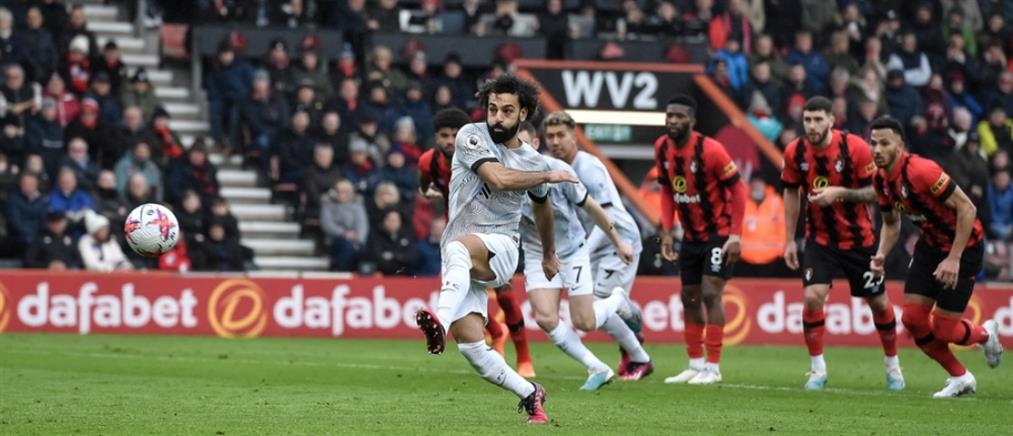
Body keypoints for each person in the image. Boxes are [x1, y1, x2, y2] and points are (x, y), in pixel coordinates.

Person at [413, 75, 578, 424]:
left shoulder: (533, 161)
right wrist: (546, 176)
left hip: (501, 246)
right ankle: (531, 393)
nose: (497, 118)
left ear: (523, 113)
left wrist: (549, 253)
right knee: (472, 347)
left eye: (507, 111)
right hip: (461, 253)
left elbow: (543, 209)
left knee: (459, 248)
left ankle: (440, 321)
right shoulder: (470, 135)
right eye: (492, 109)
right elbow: (499, 178)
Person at [868, 116, 1003, 398]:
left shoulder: (922, 171)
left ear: (899, 145)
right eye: (873, 143)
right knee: (913, 320)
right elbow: (891, 224)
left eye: (884, 143)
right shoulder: (880, 179)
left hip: (965, 246)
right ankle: (961, 377)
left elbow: (967, 208)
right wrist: (880, 254)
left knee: (944, 330)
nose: (877, 149)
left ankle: (985, 335)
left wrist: (954, 258)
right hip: (930, 246)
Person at [780, 97, 904, 391]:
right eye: (807, 120)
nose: (812, 126)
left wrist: (840, 193)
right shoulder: (795, 151)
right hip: (819, 239)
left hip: (859, 240)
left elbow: (878, 192)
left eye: (818, 119)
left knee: (879, 303)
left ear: (831, 120)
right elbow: (791, 193)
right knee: (812, 298)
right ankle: (817, 370)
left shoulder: (855, 148)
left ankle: (893, 365)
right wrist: (788, 239)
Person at [518, 116, 647, 390]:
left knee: (585, 320)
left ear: (535, 144)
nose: (519, 151)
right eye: (514, 146)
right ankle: (597, 366)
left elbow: (595, 208)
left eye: (524, 145)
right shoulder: (501, 175)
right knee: (545, 318)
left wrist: (617, 241)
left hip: (578, 247)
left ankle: (619, 306)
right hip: (538, 251)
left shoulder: (569, 170)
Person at [417, 107, 535, 378]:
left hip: (488, 230)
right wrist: (427, 191)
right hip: (455, 234)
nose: (449, 141)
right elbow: (424, 183)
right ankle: (495, 331)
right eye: (444, 135)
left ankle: (524, 357)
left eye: (454, 134)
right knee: (458, 291)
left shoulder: (482, 154)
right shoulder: (428, 161)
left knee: (504, 293)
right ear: (436, 137)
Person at [655, 94, 746, 385]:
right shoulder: (662, 148)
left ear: (692, 121)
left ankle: (713, 367)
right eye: (670, 115)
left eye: (679, 116)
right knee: (689, 297)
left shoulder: (711, 150)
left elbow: (739, 189)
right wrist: (667, 231)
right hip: (690, 235)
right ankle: (694, 363)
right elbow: (667, 190)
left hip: (719, 233)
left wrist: (736, 235)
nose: (673, 121)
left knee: (710, 293)